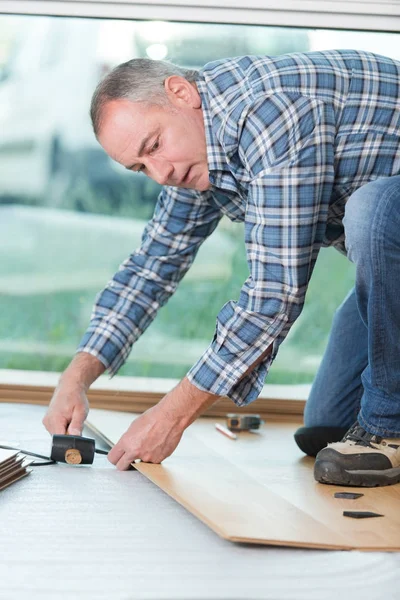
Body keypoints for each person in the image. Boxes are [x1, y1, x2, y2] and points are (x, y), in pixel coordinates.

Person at [43, 50, 400, 487]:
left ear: (180, 92)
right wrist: (76, 376)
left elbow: (274, 296)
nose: (161, 174)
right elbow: (153, 267)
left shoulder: (269, 112)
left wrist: (172, 416)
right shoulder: (195, 145)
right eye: (140, 168)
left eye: (153, 147)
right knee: (327, 424)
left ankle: (389, 431)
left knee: (374, 211)